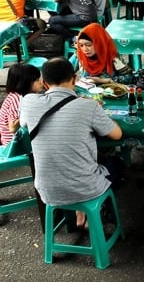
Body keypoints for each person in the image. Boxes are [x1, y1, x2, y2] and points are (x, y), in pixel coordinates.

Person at [20, 57, 122, 228]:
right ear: (75, 79)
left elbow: (23, 123)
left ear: (44, 83)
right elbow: (117, 135)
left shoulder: (29, 102)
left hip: (47, 189)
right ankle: (97, 213)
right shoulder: (88, 106)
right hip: (85, 188)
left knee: (75, 160)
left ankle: (80, 215)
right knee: (116, 164)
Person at [0, 64, 43, 145]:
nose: (41, 82)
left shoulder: (18, 96)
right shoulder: (17, 99)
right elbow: (12, 128)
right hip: (12, 143)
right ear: (25, 82)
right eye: (37, 80)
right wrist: (29, 112)